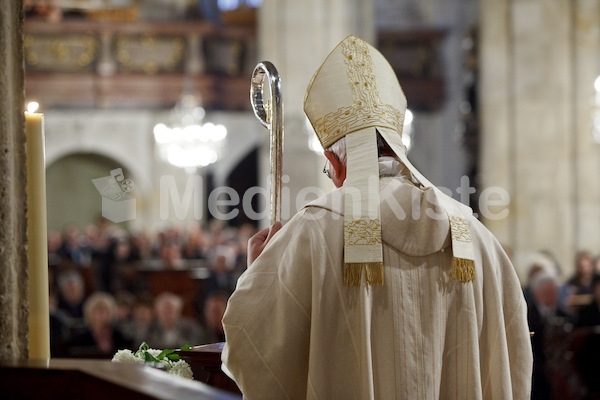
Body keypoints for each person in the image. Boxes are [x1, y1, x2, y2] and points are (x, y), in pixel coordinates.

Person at [221, 36, 532, 399]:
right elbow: (513, 353)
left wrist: (259, 273)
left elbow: (252, 346)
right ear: (398, 149)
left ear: (335, 163)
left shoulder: (314, 231)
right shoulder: (476, 236)